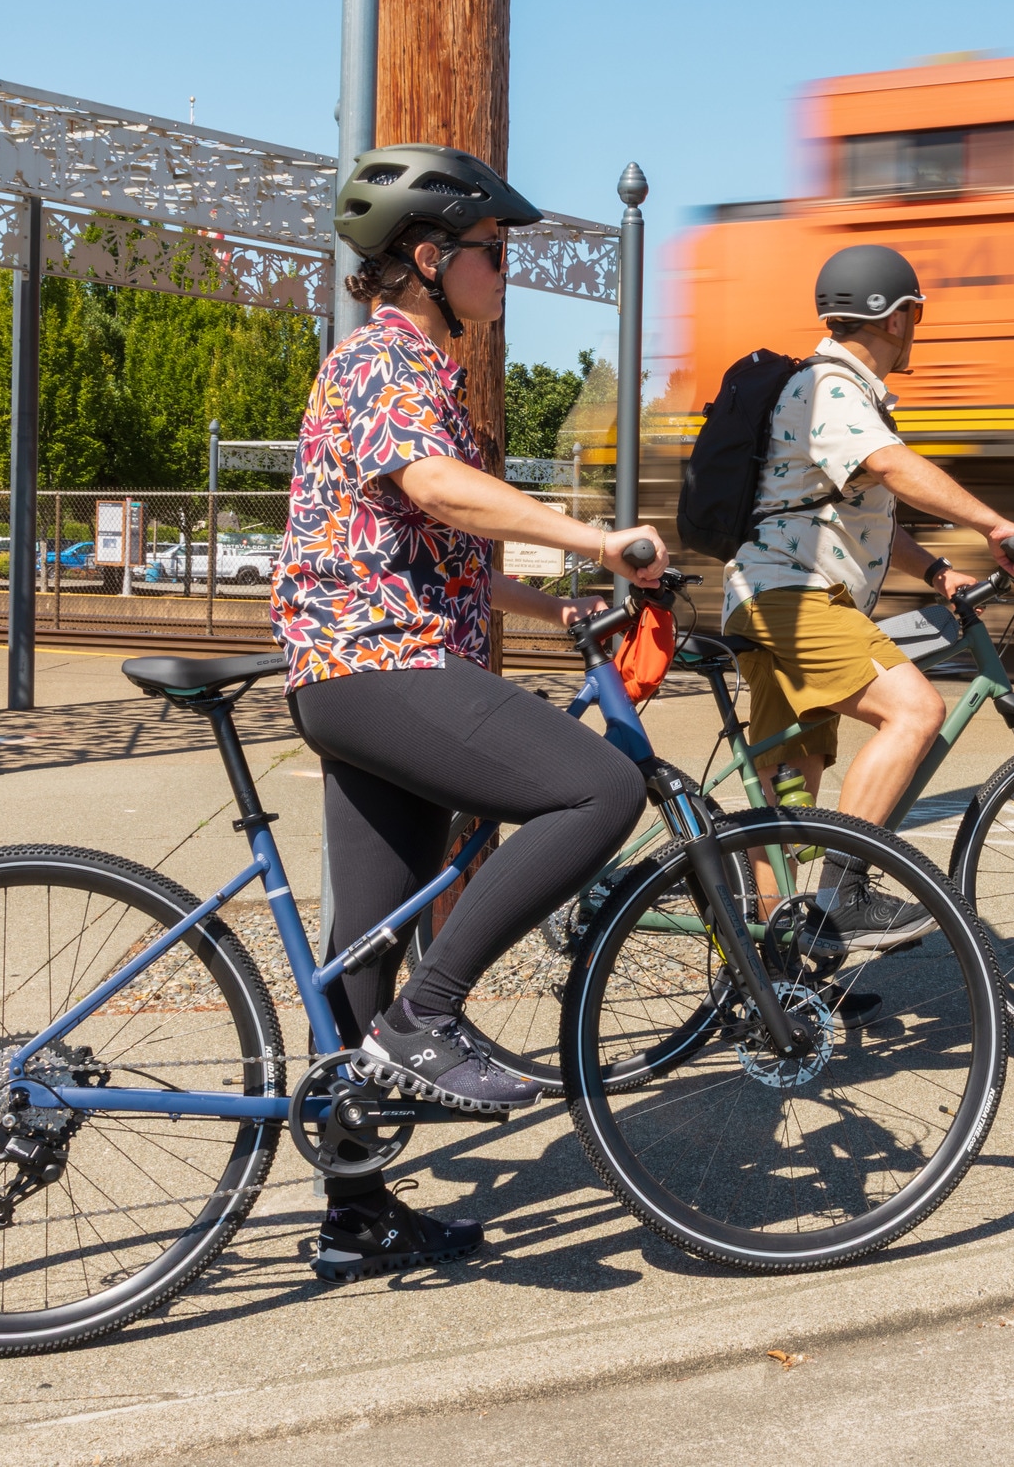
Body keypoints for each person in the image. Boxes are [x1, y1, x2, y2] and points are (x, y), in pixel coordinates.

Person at [271, 143, 670, 1280]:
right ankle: (429, 1022)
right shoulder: (388, 357)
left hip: (357, 672)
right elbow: (436, 487)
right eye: (496, 254)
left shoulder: (399, 369)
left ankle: (353, 1209)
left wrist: (551, 602)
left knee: (365, 947)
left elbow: (422, 538)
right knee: (600, 787)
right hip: (379, 665)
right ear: (432, 258)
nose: (508, 273)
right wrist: (599, 535)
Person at [722, 244, 1014, 952]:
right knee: (915, 709)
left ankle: (773, 968)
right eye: (916, 318)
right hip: (795, 597)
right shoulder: (831, 387)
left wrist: (936, 573)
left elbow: (850, 511)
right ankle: (842, 900)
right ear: (901, 317)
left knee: (789, 780)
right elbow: (890, 468)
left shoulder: (831, 391)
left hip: (773, 593)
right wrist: (993, 523)